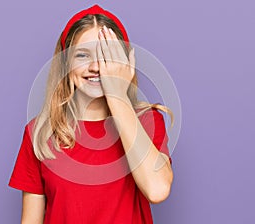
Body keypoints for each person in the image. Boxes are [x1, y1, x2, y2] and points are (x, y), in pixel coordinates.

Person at [9, 4, 174, 224]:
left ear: (125, 63)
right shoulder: (38, 133)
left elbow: (157, 189)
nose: (96, 67)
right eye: (83, 55)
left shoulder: (147, 121)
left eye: (106, 55)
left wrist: (117, 94)